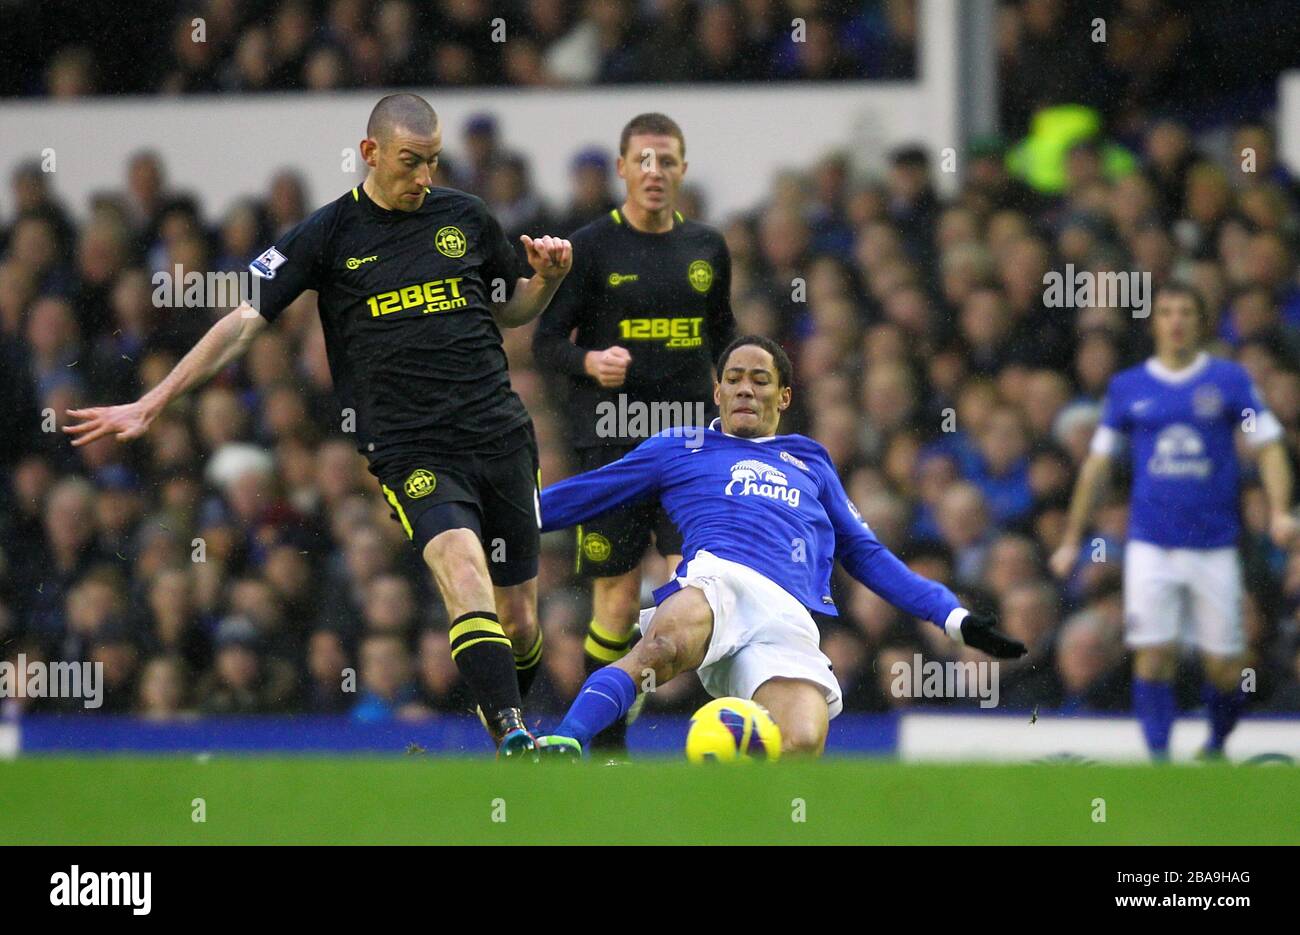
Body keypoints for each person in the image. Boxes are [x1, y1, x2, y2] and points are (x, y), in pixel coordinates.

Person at [63, 93, 574, 756]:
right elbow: (242, 323)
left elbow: (509, 310)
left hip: (500, 434)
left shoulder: (467, 217)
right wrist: (154, 399)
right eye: (409, 161)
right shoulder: (327, 234)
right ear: (370, 153)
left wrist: (549, 280)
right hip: (410, 445)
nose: (424, 176)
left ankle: (503, 727)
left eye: (433, 162)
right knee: (460, 567)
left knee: (521, 619)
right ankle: (513, 735)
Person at [534, 336, 1025, 757]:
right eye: (734, 377)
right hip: (715, 581)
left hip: (786, 613)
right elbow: (588, 493)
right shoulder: (678, 446)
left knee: (800, 742)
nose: (746, 387)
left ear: (784, 395)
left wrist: (952, 616)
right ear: (718, 391)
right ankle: (563, 745)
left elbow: (867, 554)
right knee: (658, 648)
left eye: (760, 379)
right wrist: (494, 520)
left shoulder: (811, 462)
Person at [532, 112, 734, 750]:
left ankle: (726, 719)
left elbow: (724, 339)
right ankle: (606, 748)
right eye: (642, 160)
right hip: (613, 448)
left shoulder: (707, 248)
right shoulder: (590, 246)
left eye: (666, 161)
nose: (654, 172)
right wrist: (589, 361)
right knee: (616, 603)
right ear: (621, 169)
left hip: (689, 451)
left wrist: (746, 390)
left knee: (696, 587)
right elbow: (542, 342)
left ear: (682, 170)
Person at [1050, 284, 1299, 759]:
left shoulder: (1228, 381)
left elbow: (1268, 444)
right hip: (1151, 544)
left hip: (1215, 544)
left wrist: (1281, 509)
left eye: (1186, 311)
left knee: (1226, 667)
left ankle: (1216, 744)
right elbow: (1098, 465)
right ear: (1155, 323)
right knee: (1154, 655)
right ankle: (1161, 760)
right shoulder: (1128, 387)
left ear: (1202, 322)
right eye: (1166, 312)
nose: (1176, 321)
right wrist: (1070, 538)